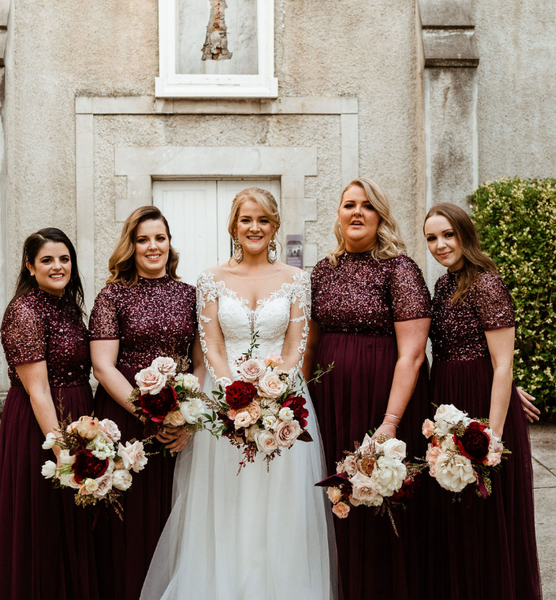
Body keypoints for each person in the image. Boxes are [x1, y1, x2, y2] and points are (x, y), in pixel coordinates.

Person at [141, 187, 336, 600]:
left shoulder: (298, 280)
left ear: (275, 226)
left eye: (263, 220)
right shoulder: (210, 280)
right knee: (225, 501)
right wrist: (235, 393)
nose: (254, 227)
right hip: (223, 402)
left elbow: (294, 346)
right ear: (233, 226)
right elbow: (210, 344)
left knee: (280, 505)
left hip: (283, 403)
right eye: (246, 219)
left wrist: (270, 396)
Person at [307, 178, 431, 600]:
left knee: (380, 499)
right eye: (349, 205)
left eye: (367, 206)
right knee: (337, 499)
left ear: (380, 216)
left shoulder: (400, 269)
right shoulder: (324, 269)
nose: (357, 213)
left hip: (383, 399)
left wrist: (390, 421)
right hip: (331, 403)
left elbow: (412, 354)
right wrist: (300, 401)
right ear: (338, 216)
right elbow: (310, 340)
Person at [423, 202, 542, 600]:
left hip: (481, 407)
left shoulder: (486, 283)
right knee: (455, 515)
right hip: (447, 400)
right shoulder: (442, 284)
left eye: (447, 235)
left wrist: (491, 435)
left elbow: (502, 363)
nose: (440, 245)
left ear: (464, 234)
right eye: (432, 238)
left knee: (485, 513)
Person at [89, 206, 197, 600]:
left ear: (170, 243)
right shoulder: (112, 295)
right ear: (131, 246)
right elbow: (103, 366)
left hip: (175, 427)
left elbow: (201, 363)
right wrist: (147, 412)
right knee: (125, 521)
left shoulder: (191, 295)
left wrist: (185, 418)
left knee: (171, 517)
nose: (153, 247)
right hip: (124, 420)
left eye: (160, 238)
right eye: (143, 239)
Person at [0, 228, 98, 600]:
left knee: (71, 522)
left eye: (64, 259)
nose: (58, 267)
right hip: (39, 425)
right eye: (47, 260)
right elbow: (37, 390)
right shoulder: (24, 312)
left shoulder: (68, 307)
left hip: (75, 414)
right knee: (41, 522)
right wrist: (62, 451)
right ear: (29, 266)